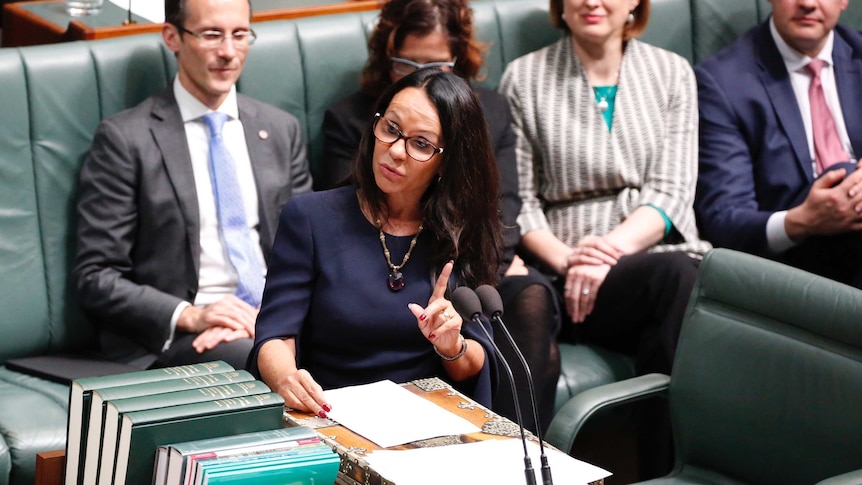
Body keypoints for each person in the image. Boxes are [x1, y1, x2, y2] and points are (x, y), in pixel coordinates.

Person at [320, 0, 561, 435]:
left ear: (459, 60)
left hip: (477, 260)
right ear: (385, 56)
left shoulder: (490, 111)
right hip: (404, 262)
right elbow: (351, 215)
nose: (421, 72)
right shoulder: (354, 117)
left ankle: (512, 447)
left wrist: (478, 267)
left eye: (437, 63)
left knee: (529, 300)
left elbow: (503, 207)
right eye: (406, 63)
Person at [499, 0, 710, 477]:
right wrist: (572, 261)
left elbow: (673, 191)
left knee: (683, 280)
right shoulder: (524, 77)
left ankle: (659, 471)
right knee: (680, 282)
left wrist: (609, 252)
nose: (592, 1)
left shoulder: (672, 72)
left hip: (648, 259)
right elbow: (522, 202)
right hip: (561, 268)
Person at [72, 0, 312, 371]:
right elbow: (96, 276)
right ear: (173, 37)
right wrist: (192, 315)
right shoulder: (126, 139)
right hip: (185, 335)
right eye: (212, 35)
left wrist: (278, 316)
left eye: (240, 35)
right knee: (260, 357)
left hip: (273, 319)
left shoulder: (280, 129)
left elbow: (308, 252)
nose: (229, 52)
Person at [249, 69, 501, 416]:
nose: (396, 151)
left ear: (447, 161)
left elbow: (475, 362)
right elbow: (275, 334)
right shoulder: (310, 218)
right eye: (391, 129)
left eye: (421, 144)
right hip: (329, 413)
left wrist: (450, 345)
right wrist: (286, 378)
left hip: (427, 420)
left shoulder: (458, 230)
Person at [695, 0, 862, 288]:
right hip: (793, 262)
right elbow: (723, 218)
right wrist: (802, 221)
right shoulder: (723, 83)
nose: (808, 3)